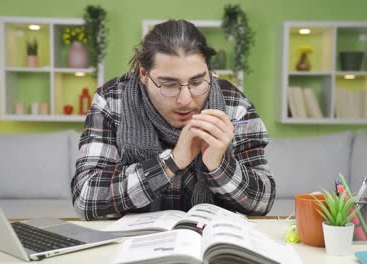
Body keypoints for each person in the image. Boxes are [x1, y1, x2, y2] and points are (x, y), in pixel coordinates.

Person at [72, 19, 275, 220]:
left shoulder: (235, 105)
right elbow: (85, 197)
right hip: (133, 244)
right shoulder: (112, 100)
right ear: (144, 73)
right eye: (169, 84)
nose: (186, 100)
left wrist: (219, 165)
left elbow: (263, 200)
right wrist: (172, 162)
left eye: (197, 81)